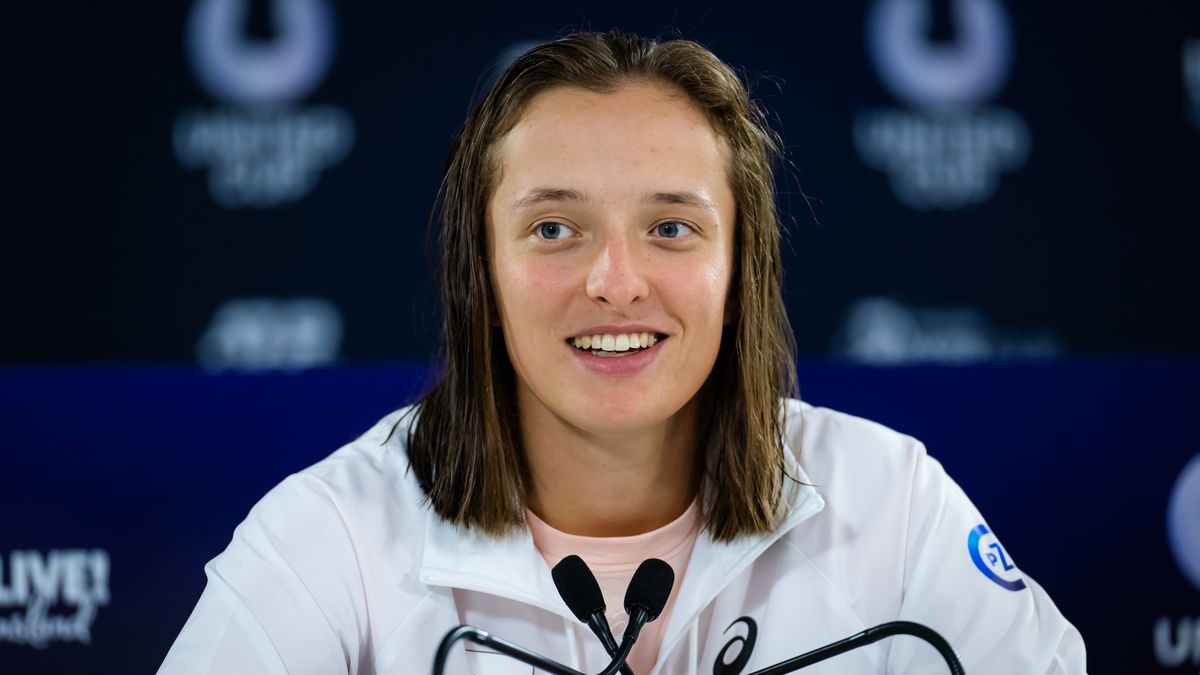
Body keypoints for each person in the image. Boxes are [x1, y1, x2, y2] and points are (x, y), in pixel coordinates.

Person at [159, 31, 1086, 675]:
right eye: (555, 227)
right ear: (482, 271)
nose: (614, 280)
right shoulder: (330, 534)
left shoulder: (894, 503)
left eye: (672, 228)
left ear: (741, 272)